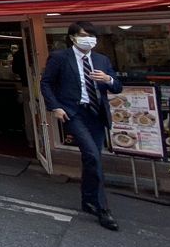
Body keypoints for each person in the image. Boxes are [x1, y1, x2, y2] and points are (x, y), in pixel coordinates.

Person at [40, 21, 123, 231]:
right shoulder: (60, 57)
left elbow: (117, 87)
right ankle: (102, 208)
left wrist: (108, 79)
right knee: (93, 155)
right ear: (72, 37)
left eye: (91, 35)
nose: (89, 39)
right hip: (73, 112)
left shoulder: (101, 59)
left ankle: (87, 199)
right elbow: (46, 83)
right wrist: (55, 107)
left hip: (95, 113)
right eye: (84, 35)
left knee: (91, 156)